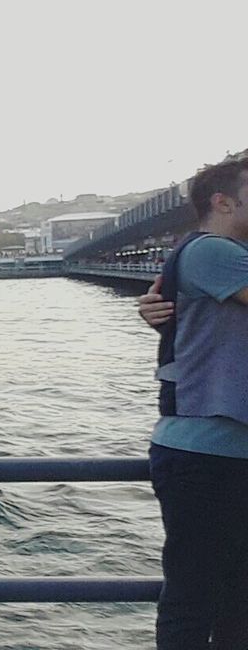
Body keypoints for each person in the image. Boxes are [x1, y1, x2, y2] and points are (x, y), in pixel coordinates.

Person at [135, 156, 248, 648]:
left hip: (225, 450)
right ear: (222, 202)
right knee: (195, 597)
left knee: (236, 601)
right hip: (206, 455)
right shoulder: (212, 253)